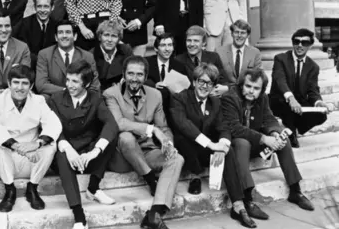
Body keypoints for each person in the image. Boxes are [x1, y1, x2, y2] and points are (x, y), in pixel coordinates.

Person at [222, 68, 315, 222]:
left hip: (257, 141)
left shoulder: (263, 98)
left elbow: (269, 119)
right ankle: (247, 199)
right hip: (237, 145)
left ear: (262, 89)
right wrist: (264, 138)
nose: (251, 91)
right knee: (242, 143)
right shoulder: (229, 98)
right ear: (241, 85)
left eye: (256, 88)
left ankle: (295, 190)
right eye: (248, 86)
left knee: (283, 142)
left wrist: (274, 133)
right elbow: (234, 128)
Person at [169, 64, 255, 228]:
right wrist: (211, 145)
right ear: (194, 82)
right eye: (201, 81)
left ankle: (238, 205)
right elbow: (183, 124)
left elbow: (224, 127)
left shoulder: (215, 102)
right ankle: (195, 175)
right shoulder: (180, 98)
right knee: (182, 137)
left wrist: (222, 146)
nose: (204, 86)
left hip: (204, 150)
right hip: (186, 149)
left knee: (227, 149)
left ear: (214, 86)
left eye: (209, 83)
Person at [103, 56, 184, 229]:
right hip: (122, 157)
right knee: (125, 136)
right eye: (130, 73)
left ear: (146, 76)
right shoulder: (111, 94)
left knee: (177, 159)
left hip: (147, 151)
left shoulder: (155, 95)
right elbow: (119, 123)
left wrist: (168, 144)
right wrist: (151, 129)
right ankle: (151, 180)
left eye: (139, 74)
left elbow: (163, 127)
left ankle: (154, 213)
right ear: (123, 74)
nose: (134, 78)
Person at [48, 60, 119, 229]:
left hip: (88, 155)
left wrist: (95, 151)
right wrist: (68, 149)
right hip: (65, 154)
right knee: (61, 153)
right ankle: (79, 215)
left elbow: (111, 123)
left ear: (86, 84)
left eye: (75, 81)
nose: (69, 85)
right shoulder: (55, 99)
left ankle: (93, 188)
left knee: (111, 137)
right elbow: (52, 128)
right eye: (68, 80)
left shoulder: (95, 98)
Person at [0, 65, 62, 212]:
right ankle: (9, 190)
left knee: (51, 145)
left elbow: (54, 124)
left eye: (25, 83)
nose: (20, 87)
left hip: (31, 161)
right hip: (5, 162)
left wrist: (37, 144)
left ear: (31, 85)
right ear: (9, 83)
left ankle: (32, 188)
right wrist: (18, 146)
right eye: (16, 82)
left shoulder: (39, 101)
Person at [269, 28, 333, 147]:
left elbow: (312, 90)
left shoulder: (313, 67)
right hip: (279, 100)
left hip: (299, 102)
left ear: (310, 46)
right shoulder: (280, 59)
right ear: (293, 43)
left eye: (304, 43)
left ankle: (293, 127)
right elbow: (280, 80)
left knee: (321, 115)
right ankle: (291, 133)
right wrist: (291, 98)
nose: (300, 45)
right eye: (296, 42)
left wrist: (319, 103)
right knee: (287, 106)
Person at [35, 20, 100, 96]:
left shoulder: (87, 56)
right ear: (56, 37)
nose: (64, 35)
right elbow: (41, 85)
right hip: (55, 98)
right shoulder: (45, 54)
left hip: (80, 99)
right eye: (60, 32)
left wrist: (79, 96)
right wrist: (67, 91)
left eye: (68, 32)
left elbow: (94, 86)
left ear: (75, 36)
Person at [144, 33, 187, 123]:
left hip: (171, 107)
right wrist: (154, 85)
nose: (167, 49)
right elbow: (141, 80)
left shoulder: (179, 66)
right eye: (163, 45)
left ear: (173, 48)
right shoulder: (146, 62)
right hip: (149, 104)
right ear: (156, 48)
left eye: (170, 45)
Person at [176, 26, 228, 96]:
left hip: (212, 98)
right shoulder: (178, 60)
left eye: (196, 41)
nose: (191, 44)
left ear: (203, 43)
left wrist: (222, 88)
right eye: (189, 40)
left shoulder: (214, 57)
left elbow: (224, 81)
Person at [14, 0, 58, 69]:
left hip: (51, 66)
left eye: (46, 6)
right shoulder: (24, 24)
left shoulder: (57, 26)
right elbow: (24, 51)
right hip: (29, 66)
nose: (42, 10)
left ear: (52, 7)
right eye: (39, 6)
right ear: (34, 7)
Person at [216, 20, 262, 85]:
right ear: (232, 34)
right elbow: (215, 76)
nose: (239, 35)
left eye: (243, 33)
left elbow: (258, 76)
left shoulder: (255, 53)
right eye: (236, 32)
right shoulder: (219, 52)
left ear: (248, 35)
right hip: (224, 92)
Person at [91, 19, 133, 91]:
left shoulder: (126, 50)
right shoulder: (91, 55)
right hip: (100, 94)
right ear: (99, 37)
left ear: (119, 39)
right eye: (106, 35)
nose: (109, 40)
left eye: (114, 36)